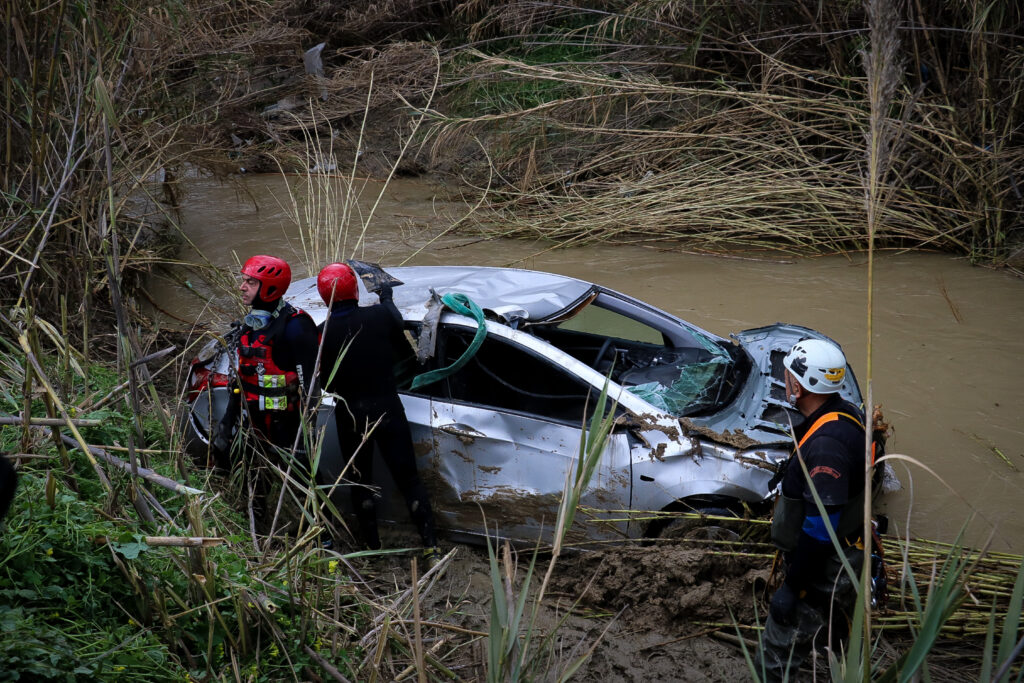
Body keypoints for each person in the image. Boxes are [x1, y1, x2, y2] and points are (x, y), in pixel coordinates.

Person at [757, 338, 868, 682]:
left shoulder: (827, 446)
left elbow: (820, 530)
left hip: (823, 568)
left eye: (788, 375)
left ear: (800, 386)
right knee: (837, 637)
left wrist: (792, 588)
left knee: (777, 651)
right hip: (846, 554)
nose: (784, 380)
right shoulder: (845, 412)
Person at [315, 262, 439, 565]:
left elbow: (321, 381)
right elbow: (397, 322)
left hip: (351, 417)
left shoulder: (320, 335)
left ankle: (372, 549)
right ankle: (431, 548)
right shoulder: (380, 316)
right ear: (356, 290)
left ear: (323, 298)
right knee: (408, 479)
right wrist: (385, 295)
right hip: (387, 409)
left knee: (361, 483)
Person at [215, 255, 318, 518]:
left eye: (250, 282)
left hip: (287, 428)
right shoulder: (253, 325)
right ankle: (257, 532)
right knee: (254, 483)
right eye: (244, 280)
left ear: (270, 288)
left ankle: (319, 539)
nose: (242, 287)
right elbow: (240, 380)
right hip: (254, 424)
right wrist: (228, 422)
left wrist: (308, 435)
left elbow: (313, 386)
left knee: (302, 487)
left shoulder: (296, 327)